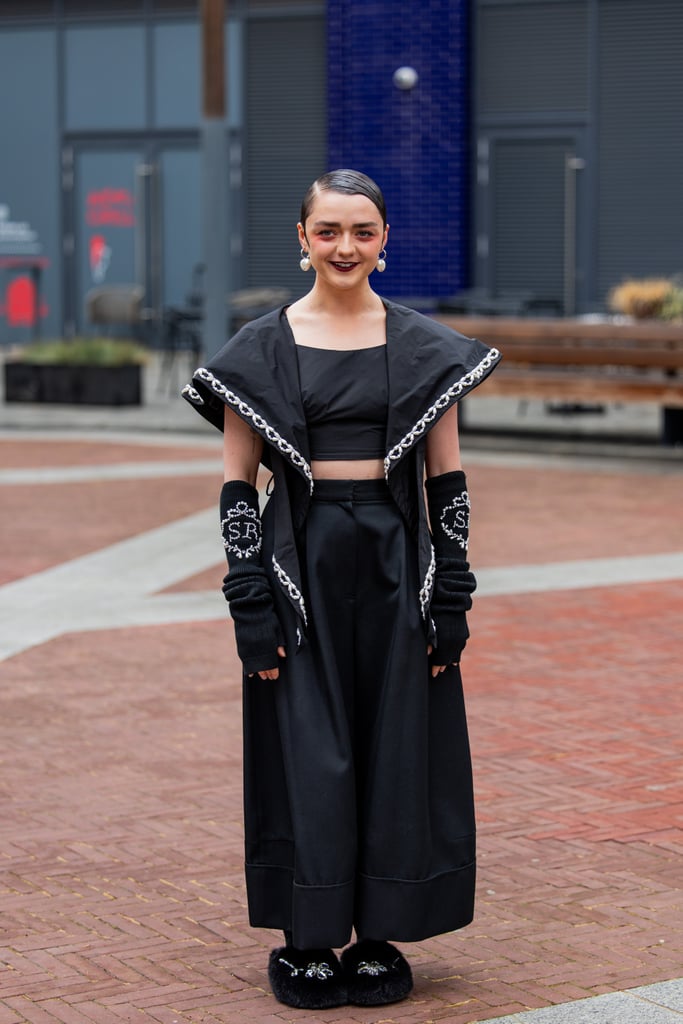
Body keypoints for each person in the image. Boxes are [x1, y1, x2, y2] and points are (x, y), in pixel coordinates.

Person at [182, 169, 501, 1010]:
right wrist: (248, 603)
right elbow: (236, 488)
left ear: (384, 241)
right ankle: (308, 934)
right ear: (301, 239)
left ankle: (380, 934)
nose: (344, 247)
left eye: (361, 231)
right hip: (301, 561)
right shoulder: (258, 350)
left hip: (396, 561)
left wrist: (451, 599)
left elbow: (449, 484)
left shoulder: (427, 347)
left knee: (398, 746)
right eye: (327, 231)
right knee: (309, 746)